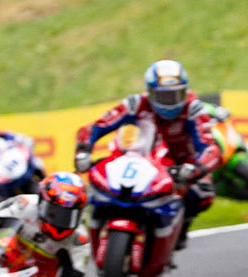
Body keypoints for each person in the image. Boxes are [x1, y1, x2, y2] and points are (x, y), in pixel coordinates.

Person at [74, 60, 221, 249]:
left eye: (177, 94)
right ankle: (96, 226)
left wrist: (195, 168)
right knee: (98, 182)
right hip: (138, 158)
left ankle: (180, 230)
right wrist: (84, 151)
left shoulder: (193, 108)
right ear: (150, 92)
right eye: (164, 96)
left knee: (204, 193)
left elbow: (210, 147)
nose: (171, 101)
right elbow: (95, 127)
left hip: (180, 165)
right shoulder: (136, 104)